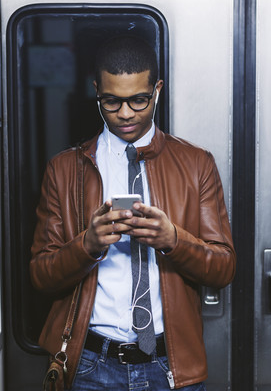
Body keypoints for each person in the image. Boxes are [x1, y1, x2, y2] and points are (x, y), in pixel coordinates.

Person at [30, 35, 236, 391]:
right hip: (89, 365)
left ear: (156, 89)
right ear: (96, 90)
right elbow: (41, 277)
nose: (125, 113)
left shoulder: (195, 164)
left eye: (139, 100)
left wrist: (174, 240)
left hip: (169, 364)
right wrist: (88, 245)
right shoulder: (64, 170)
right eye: (111, 101)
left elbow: (223, 268)